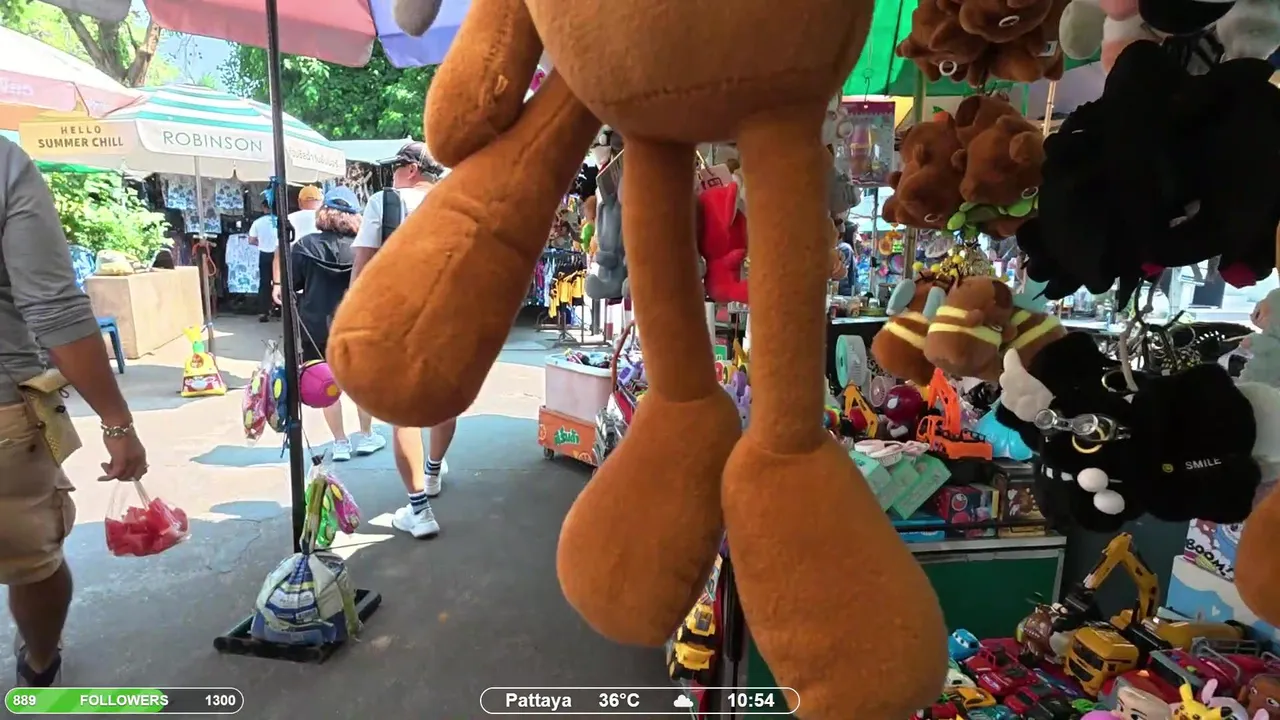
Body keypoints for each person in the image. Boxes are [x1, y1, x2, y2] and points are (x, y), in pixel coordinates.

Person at [0, 137, 148, 686]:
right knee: (32, 561)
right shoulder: (5, 164)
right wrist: (118, 424)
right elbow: (54, 309)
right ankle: (40, 663)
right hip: (5, 414)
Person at [351, 142, 454, 539]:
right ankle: (432, 473)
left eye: (397, 166)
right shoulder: (458, 202)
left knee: (403, 413)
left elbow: (363, 265)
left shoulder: (385, 202)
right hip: (450, 317)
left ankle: (420, 511)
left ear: (412, 169)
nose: (392, 173)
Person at [285, 187, 387, 462]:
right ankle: (366, 436)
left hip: (315, 325)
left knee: (325, 383)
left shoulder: (305, 245)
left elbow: (293, 284)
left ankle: (340, 442)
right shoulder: (364, 250)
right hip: (356, 325)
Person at [247, 193, 282, 322]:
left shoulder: (257, 222)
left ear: (263, 208)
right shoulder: (280, 221)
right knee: (279, 281)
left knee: (264, 282)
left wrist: (260, 243)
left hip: (264, 254)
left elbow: (251, 240)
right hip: (278, 253)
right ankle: (279, 309)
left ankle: (263, 311)